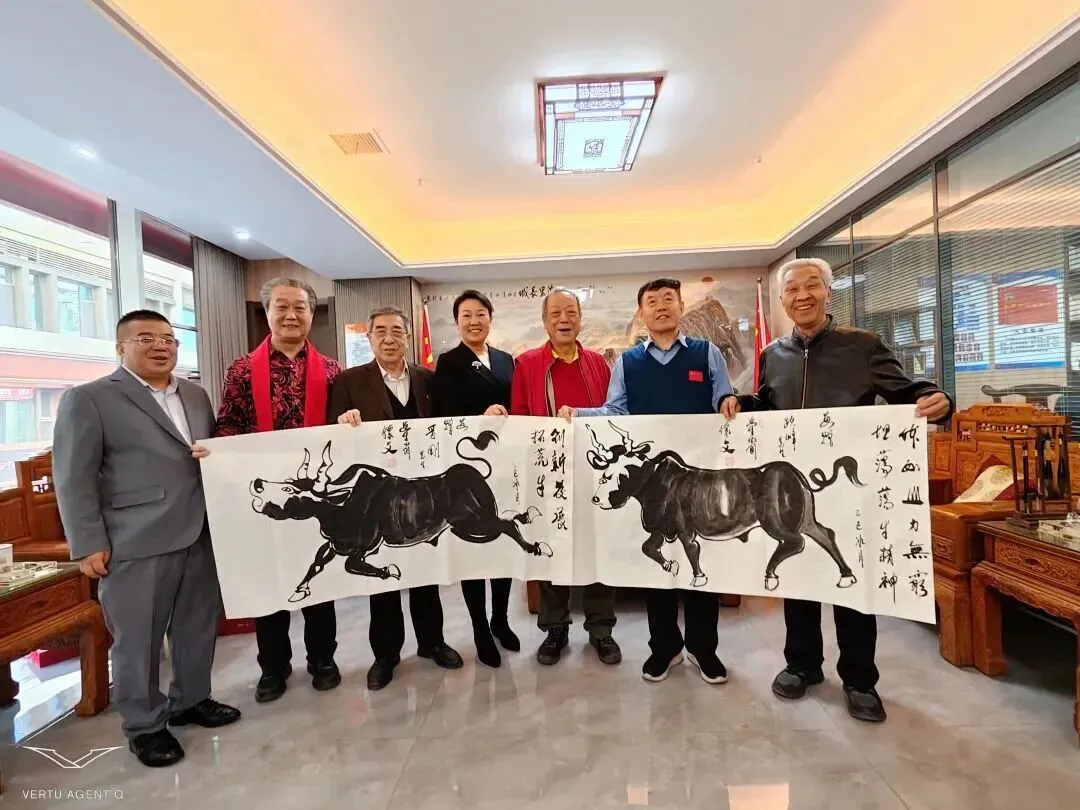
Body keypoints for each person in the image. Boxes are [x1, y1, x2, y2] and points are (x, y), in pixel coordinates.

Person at [721, 257, 952, 723]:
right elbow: (768, 403)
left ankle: (860, 680)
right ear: (782, 299)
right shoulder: (774, 353)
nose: (802, 295)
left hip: (849, 485)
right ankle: (801, 665)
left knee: (852, 586)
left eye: (812, 286)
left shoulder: (862, 345)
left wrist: (939, 399)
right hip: (792, 485)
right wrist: (739, 402)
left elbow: (906, 391)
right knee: (799, 576)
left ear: (828, 292)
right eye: (792, 289)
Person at [52, 310, 240, 768]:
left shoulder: (194, 394)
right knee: (138, 639)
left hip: (199, 529)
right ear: (121, 347)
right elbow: (74, 476)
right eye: (146, 338)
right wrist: (87, 542)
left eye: (169, 339)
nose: (161, 346)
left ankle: (191, 699)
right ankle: (144, 725)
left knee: (196, 626)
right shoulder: (90, 398)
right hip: (135, 537)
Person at [564, 278, 732, 685]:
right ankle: (665, 648)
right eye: (651, 302)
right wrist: (579, 414)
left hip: (698, 481)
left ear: (680, 306)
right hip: (655, 485)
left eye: (668, 299)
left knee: (701, 566)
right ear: (641, 313)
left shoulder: (706, 353)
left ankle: (703, 649)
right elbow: (615, 411)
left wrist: (729, 402)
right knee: (657, 570)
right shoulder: (629, 362)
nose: (661, 307)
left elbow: (723, 401)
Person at [215, 277, 341, 703]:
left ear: (311, 314)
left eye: (300, 307)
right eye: (281, 307)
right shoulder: (241, 370)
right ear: (267, 313)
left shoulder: (332, 370)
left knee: (317, 578)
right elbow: (228, 426)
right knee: (269, 583)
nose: (291, 315)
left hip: (312, 495)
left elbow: (341, 431)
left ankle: (322, 659)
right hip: (266, 495)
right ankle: (273, 666)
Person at [332, 305, 464, 689]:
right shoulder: (349, 382)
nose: (389, 339)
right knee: (384, 578)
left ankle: (432, 642)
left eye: (396, 331)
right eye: (380, 332)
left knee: (426, 571)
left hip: (423, 491)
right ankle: (385, 655)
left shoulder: (427, 379)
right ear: (369, 337)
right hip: (378, 497)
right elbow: (330, 433)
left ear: (408, 336)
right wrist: (342, 423)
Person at [510, 287, 621, 666]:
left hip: (593, 473)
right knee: (551, 550)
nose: (564, 319)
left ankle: (601, 629)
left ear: (580, 318)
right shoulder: (527, 364)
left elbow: (613, 413)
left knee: (597, 551)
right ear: (544, 321)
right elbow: (519, 418)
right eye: (555, 313)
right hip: (549, 473)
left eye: (571, 312)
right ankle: (555, 628)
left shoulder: (598, 363)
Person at [429, 290, 520, 668]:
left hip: (503, 466)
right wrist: (480, 419)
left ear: (490, 318)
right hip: (467, 470)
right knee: (473, 548)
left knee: (502, 545)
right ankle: (480, 628)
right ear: (457, 322)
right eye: (466, 315)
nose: (474, 321)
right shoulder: (449, 362)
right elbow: (443, 416)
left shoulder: (506, 360)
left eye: (480, 314)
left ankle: (500, 619)